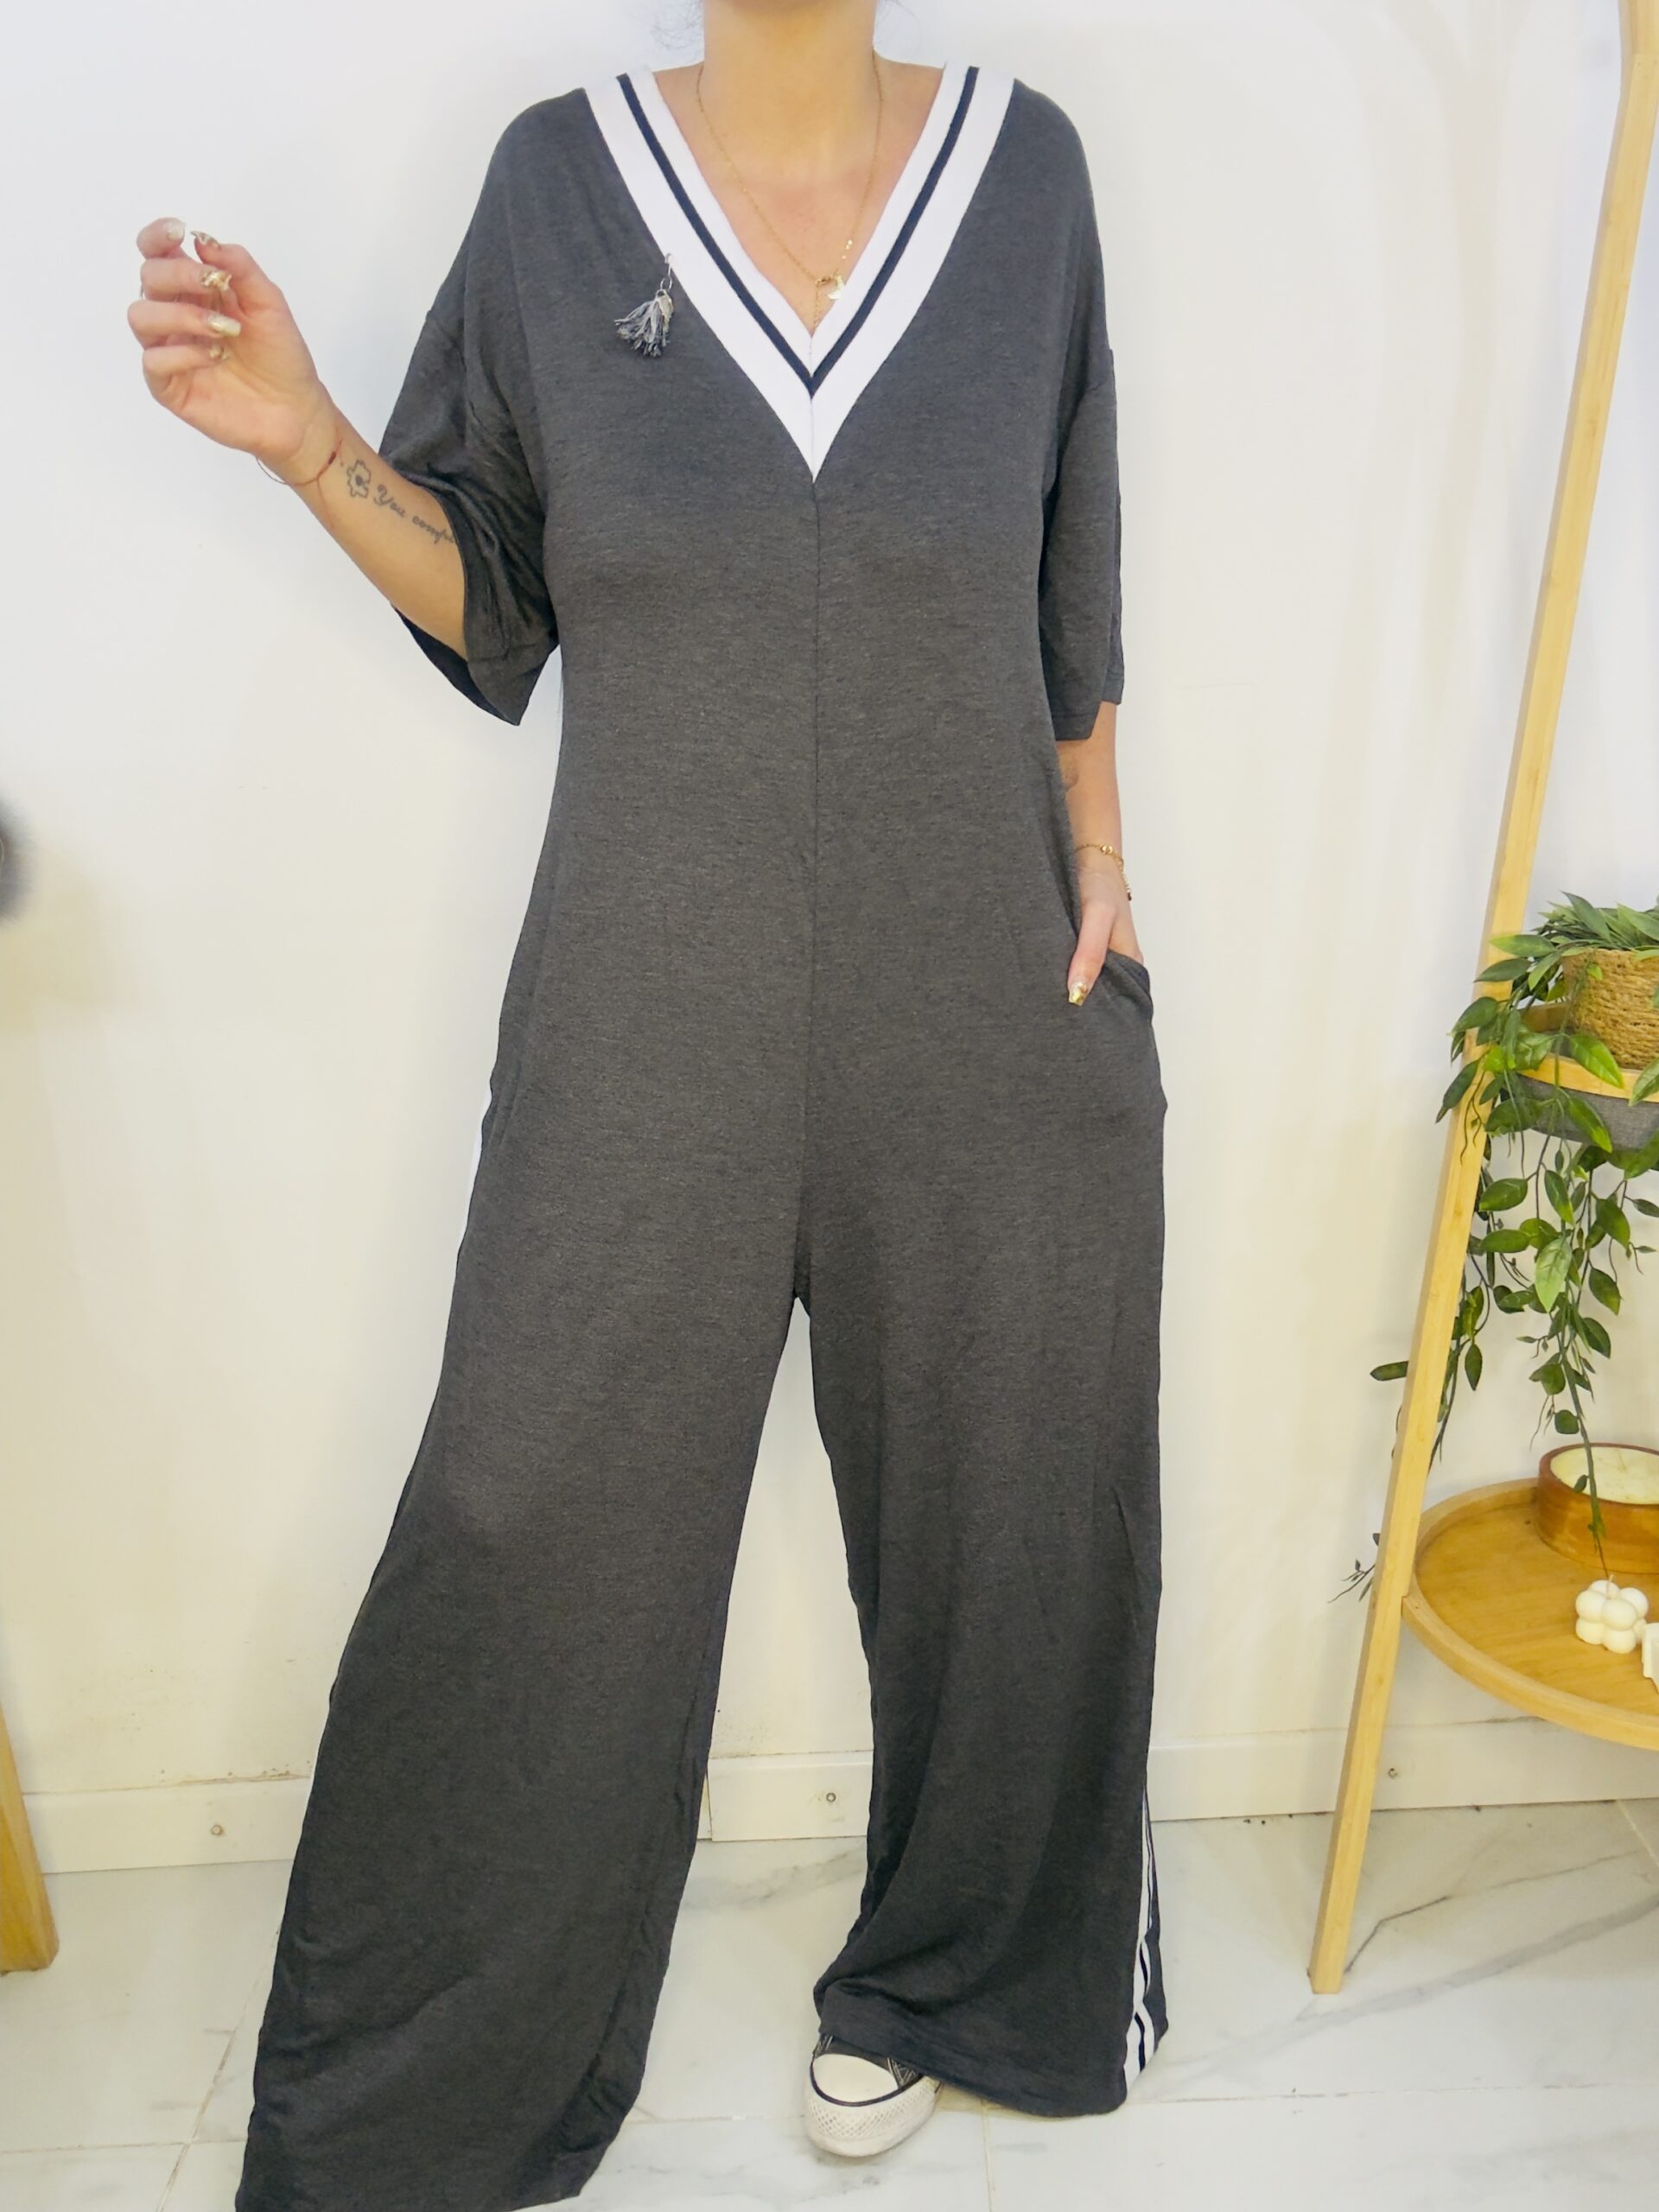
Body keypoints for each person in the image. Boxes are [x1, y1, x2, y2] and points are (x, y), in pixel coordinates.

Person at [129, 3, 1168, 2205]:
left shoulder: (1027, 177)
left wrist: (1103, 856)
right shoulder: (557, 185)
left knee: (1012, 1502)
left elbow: (1066, 576)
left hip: (983, 979)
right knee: (528, 1511)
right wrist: (310, 440)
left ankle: (963, 1981)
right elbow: (498, 598)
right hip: (648, 985)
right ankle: (434, 2078)